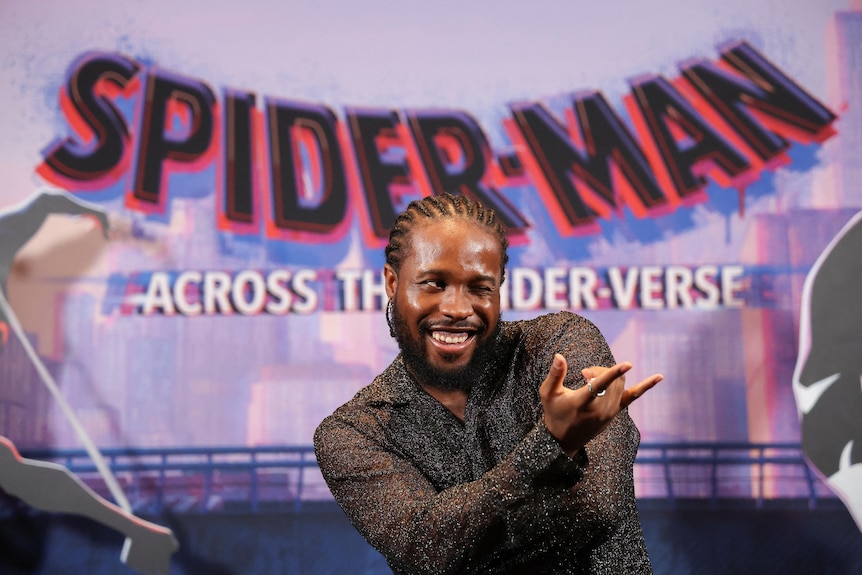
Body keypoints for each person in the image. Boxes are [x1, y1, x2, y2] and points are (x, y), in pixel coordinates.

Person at [314, 192, 663, 574]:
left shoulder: (559, 345)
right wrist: (551, 445)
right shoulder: (353, 433)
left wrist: (458, 545)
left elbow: (597, 506)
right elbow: (425, 553)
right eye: (433, 283)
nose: (457, 309)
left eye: (480, 288)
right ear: (393, 283)